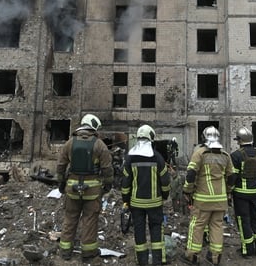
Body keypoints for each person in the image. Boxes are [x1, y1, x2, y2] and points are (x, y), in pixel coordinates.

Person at [55, 114, 113, 261]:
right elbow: (107, 169)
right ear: (93, 126)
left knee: (70, 218)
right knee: (90, 220)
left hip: (72, 189)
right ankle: (87, 254)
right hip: (92, 192)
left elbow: (61, 166)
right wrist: (107, 186)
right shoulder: (100, 145)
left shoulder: (69, 143)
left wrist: (61, 184)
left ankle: (65, 252)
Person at [180, 126, 233, 265]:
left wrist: (187, 190)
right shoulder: (226, 156)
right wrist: (228, 192)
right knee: (217, 226)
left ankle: (191, 256)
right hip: (221, 200)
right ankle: (215, 258)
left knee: (197, 226)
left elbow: (191, 174)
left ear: (204, 138)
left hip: (203, 200)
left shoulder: (200, 153)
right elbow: (231, 177)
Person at [121, 125, 172, 265]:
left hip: (136, 204)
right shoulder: (157, 157)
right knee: (156, 230)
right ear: (151, 137)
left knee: (139, 231)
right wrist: (165, 195)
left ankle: (142, 261)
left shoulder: (130, 158)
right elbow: (165, 180)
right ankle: (157, 261)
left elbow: (125, 182)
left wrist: (126, 199)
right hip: (155, 203)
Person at [230, 127, 256, 257]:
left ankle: (248, 250)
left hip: (240, 195)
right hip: (255, 193)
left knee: (243, 221)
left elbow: (232, 177)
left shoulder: (236, 156)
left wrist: (229, 190)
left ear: (240, 140)